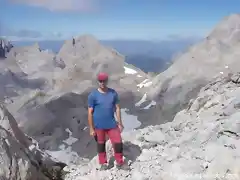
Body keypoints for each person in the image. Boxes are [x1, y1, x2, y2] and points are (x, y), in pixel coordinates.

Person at [87, 72, 130, 171]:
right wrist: (91, 128)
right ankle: (103, 163)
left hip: (111, 123)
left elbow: (117, 108)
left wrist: (120, 123)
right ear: (98, 81)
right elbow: (90, 112)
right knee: (101, 144)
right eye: (100, 81)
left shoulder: (113, 93)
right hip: (98, 125)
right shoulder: (93, 95)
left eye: (104, 81)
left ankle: (120, 162)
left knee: (118, 142)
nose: (102, 83)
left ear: (107, 81)